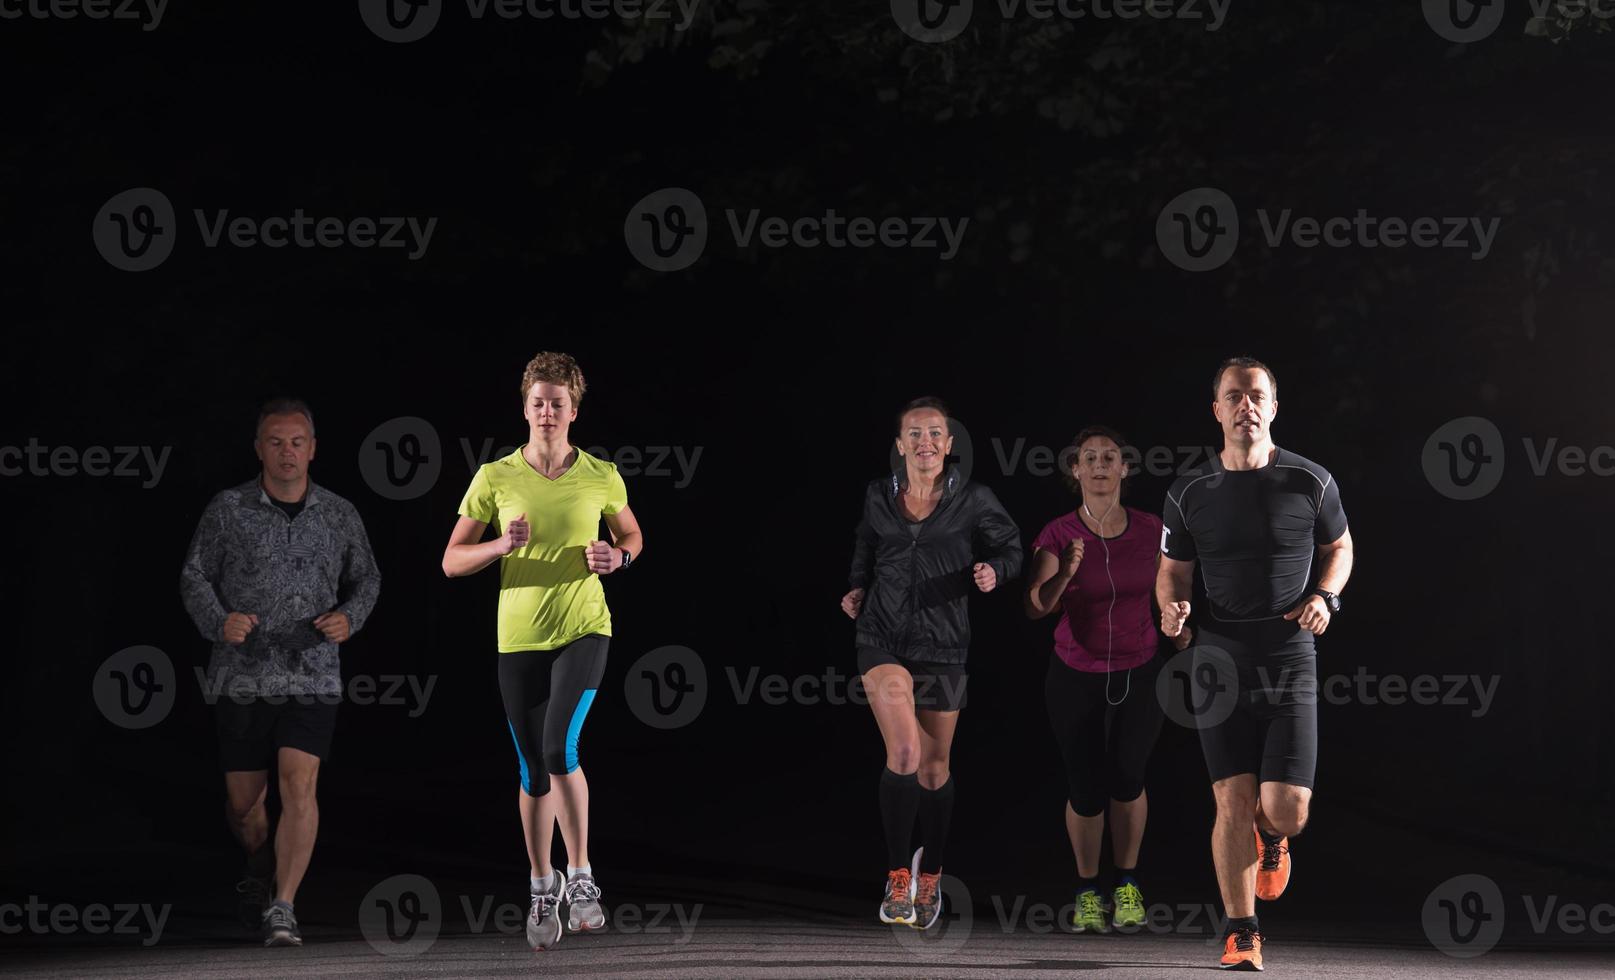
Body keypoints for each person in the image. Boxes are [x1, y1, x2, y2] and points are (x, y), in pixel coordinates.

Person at [1156, 357, 1353, 971]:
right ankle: (1243, 932)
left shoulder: (1311, 481)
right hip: (1217, 656)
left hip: (1289, 653)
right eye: (1234, 396)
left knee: (1288, 808)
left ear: (1273, 406)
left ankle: (1273, 840)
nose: (1246, 405)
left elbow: (1340, 547)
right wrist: (1171, 612)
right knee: (1230, 801)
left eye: (1257, 395)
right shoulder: (1188, 491)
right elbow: (1171, 573)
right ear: (1216, 409)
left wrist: (1325, 595)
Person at [442, 351, 643, 952]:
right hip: (518, 637)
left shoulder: (601, 473)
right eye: (538, 403)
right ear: (524, 408)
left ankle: (581, 878)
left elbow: (631, 534)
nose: (548, 411)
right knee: (533, 768)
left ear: (573, 411)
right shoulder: (495, 477)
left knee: (560, 746)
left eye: (558, 403)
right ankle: (540, 884)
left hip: (585, 627)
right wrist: (500, 544)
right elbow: (451, 561)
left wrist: (619, 556)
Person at [180, 397, 382, 947]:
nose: (287, 452)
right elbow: (194, 575)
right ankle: (259, 860)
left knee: (300, 784)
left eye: (297, 442)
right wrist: (219, 621)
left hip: (312, 672)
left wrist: (349, 618)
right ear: (258, 448)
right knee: (246, 806)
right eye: (275, 442)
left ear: (313, 449)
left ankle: (283, 907)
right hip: (242, 675)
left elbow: (367, 580)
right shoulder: (228, 509)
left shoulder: (339, 514)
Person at [842, 396, 1023, 930]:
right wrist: (856, 587)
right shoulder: (879, 494)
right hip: (881, 638)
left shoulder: (973, 499)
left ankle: (932, 873)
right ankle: (898, 875)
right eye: (914, 434)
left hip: (944, 646)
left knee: (934, 767)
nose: (925, 443)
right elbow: (865, 547)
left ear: (948, 445)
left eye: (935, 434)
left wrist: (995, 570)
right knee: (903, 751)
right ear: (900, 445)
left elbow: (1013, 548)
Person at [1025, 426, 1187, 933]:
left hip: (1140, 670)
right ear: (1075, 471)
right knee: (1085, 785)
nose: (1099, 464)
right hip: (1075, 673)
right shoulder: (1056, 533)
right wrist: (1065, 572)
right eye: (1088, 458)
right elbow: (1035, 607)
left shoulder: (1150, 527)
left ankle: (1128, 882)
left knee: (1128, 777)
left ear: (1124, 469)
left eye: (1109, 457)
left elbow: (1170, 594)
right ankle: (1088, 890)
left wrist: (1177, 626)